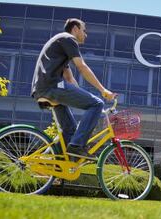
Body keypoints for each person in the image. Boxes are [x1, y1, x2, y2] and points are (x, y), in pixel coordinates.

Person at [31, 18, 116, 160]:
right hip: (51, 86)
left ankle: (47, 162)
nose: (86, 35)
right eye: (84, 30)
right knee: (97, 102)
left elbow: (70, 79)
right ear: (75, 29)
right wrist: (102, 91)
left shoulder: (60, 46)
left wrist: (86, 99)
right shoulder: (68, 39)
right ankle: (77, 146)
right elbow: (82, 67)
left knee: (69, 129)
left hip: (43, 89)